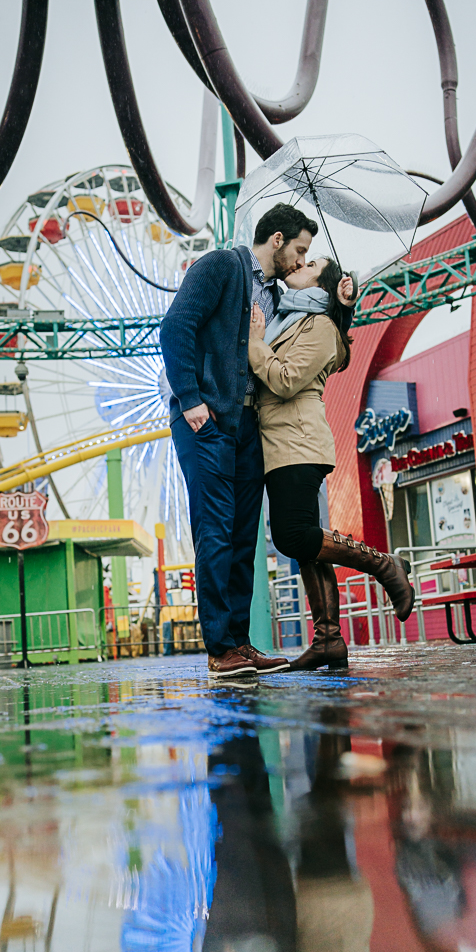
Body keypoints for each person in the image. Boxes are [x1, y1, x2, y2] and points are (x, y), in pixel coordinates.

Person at [160, 203, 320, 678]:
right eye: (299, 249)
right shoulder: (220, 267)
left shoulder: (276, 294)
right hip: (204, 420)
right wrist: (191, 399)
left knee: (243, 537)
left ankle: (240, 643)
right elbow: (175, 328)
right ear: (275, 240)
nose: (300, 259)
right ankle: (218, 649)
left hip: (248, 426)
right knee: (215, 531)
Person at [248, 256, 415, 672]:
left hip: (298, 440)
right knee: (308, 546)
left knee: (292, 537)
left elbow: (285, 379)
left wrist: (254, 343)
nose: (300, 264)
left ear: (323, 284)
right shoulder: (292, 318)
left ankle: (384, 565)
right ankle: (328, 639)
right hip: (281, 441)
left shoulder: (320, 327)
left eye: (311, 264)